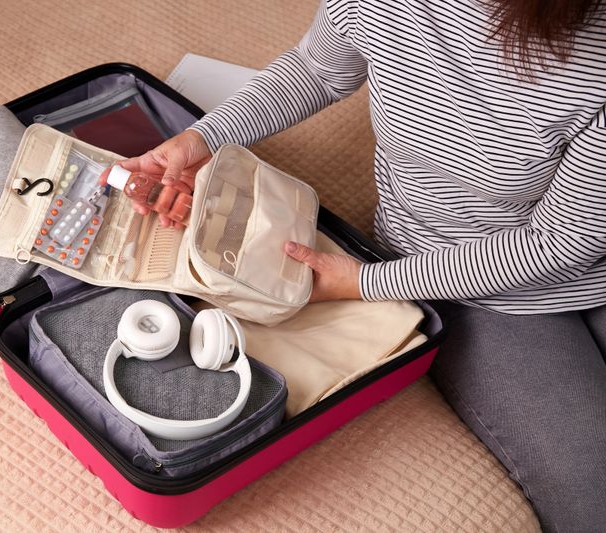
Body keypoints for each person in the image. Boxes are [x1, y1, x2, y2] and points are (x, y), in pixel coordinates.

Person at [115, 0, 606, 530]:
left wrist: (365, 283)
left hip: (567, 250)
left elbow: (563, 242)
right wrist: (205, 138)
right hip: (456, 275)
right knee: (592, 486)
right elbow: (316, 69)